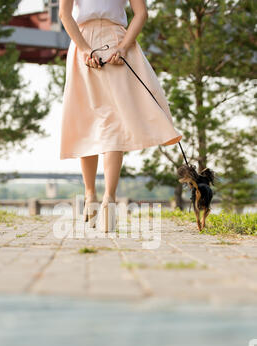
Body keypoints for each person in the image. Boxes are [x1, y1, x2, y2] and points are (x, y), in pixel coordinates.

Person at [59, 0, 182, 232]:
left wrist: (114, 47)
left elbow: (140, 13)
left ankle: (100, 198)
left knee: (100, 121)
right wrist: (101, 47)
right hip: (97, 42)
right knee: (101, 121)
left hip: (102, 43)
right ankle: (100, 197)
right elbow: (66, 14)